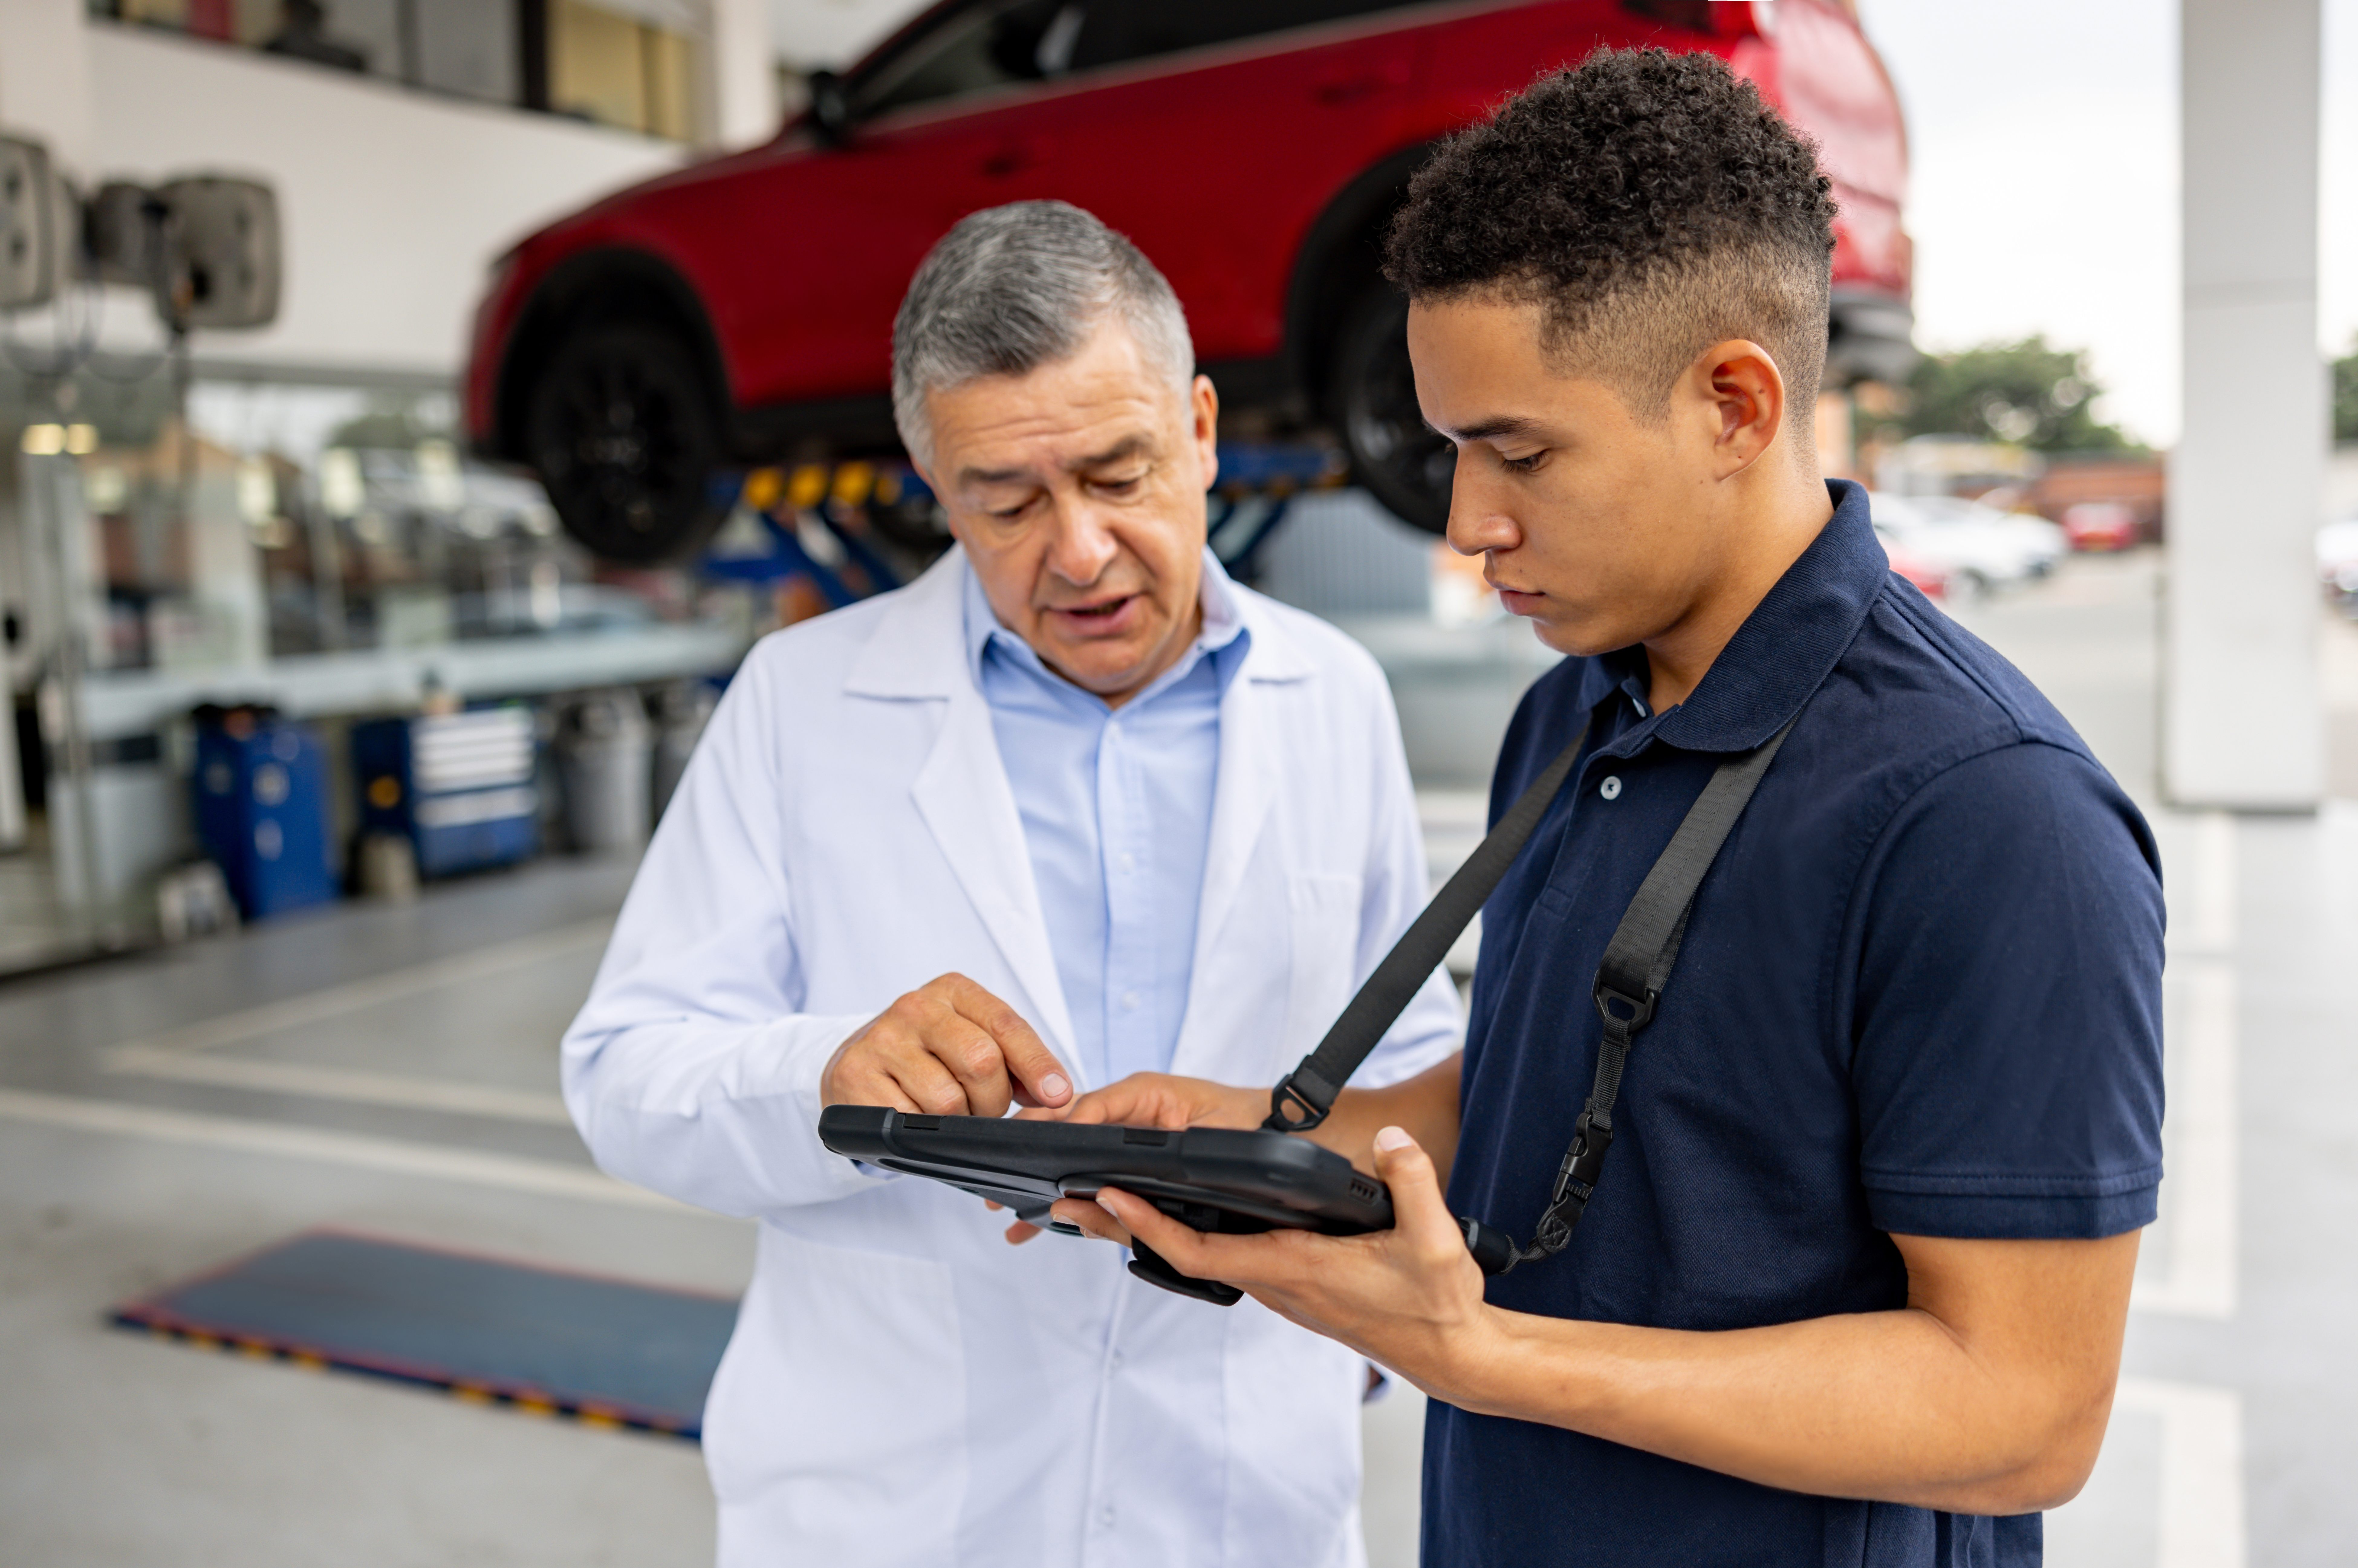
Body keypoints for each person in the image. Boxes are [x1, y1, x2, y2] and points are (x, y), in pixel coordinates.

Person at [1039, 52, 2166, 1567]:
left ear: (1734, 404)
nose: (1466, 525)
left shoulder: (1990, 818)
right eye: (1452, 451)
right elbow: (1533, 1101)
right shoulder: (1572, 712)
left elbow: (2024, 1410)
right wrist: (1237, 1129)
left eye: (1519, 451)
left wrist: (1488, 1358)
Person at [561, 201, 1460, 1566]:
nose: (1082, 551)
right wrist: (827, 1072)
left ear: (1203, 430)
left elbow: (1413, 1059)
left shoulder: (1331, 694)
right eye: (1011, 501)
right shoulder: (804, 705)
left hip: (1237, 1491)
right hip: (895, 1504)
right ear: (937, 487)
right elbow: (624, 1073)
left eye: (1121, 473)